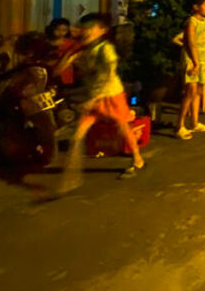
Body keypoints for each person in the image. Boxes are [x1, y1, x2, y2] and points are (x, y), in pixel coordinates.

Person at [53, 13, 145, 195]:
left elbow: (108, 75)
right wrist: (70, 56)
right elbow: (61, 69)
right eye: (85, 28)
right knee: (79, 133)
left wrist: (93, 99)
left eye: (91, 28)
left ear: (101, 30)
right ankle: (71, 177)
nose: (87, 31)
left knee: (122, 127)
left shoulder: (106, 49)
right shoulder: (85, 49)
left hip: (111, 94)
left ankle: (137, 159)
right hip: (94, 96)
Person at [177, 0, 205, 140]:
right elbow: (191, 43)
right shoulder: (191, 22)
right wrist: (196, 62)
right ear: (196, 7)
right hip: (192, 60)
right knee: (190, 92)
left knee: (198, 92)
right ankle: (180, 125)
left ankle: (194, 122)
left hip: (202, 59)